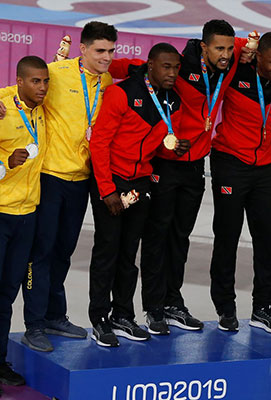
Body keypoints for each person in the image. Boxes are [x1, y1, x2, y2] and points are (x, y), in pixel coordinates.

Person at [0, 21, 121, 352]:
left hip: (81, 179)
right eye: (100, 51)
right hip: (50, 178)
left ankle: (54, 315)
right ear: (83, 49)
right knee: (41, 254)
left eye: (111, 50)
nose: (107, 57)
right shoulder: (56, 72)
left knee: (63, 252)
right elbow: (15, 89)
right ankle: (34, 324)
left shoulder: (106, 81)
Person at [139, 20, 250, 334]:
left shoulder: (227, 62)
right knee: (157, 237)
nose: (226, 54)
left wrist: (250, 45)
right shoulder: (181, 64)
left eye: (229, 48)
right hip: (164, 163)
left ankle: (174, 302)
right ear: (203, 47)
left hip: (195, 166)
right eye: (219, 48)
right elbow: (136, 67)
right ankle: (154, 307)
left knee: (180, 237)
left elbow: (248, 42)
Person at [88, 43, 184, 345]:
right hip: (111, 180)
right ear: (151, 65)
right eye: (166, 67)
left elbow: (151, 143)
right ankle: (99, 319)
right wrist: (107, 190)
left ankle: (122, 315)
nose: (172, 74)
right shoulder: (122, 93)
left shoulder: (174, 102)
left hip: (141, 181)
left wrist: (175, 147)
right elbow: (99, 143)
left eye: (176, 68)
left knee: (129, 253)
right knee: (107, 251)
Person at [0, 56, 49, 396]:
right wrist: (7, 162)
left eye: (45, 81)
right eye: (34, 82)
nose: (42, 87)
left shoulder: (42, 110)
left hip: (27, 215)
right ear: (18, 81)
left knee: (7, 293)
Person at [209, 32, 271, 334]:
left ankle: (263, 308)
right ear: (258, 57)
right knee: (227, 237)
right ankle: (225, 307)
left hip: (265, 167)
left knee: (270, 240)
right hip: (230, 162)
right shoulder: (236, 71)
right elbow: (215, 47)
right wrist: (246, 47)